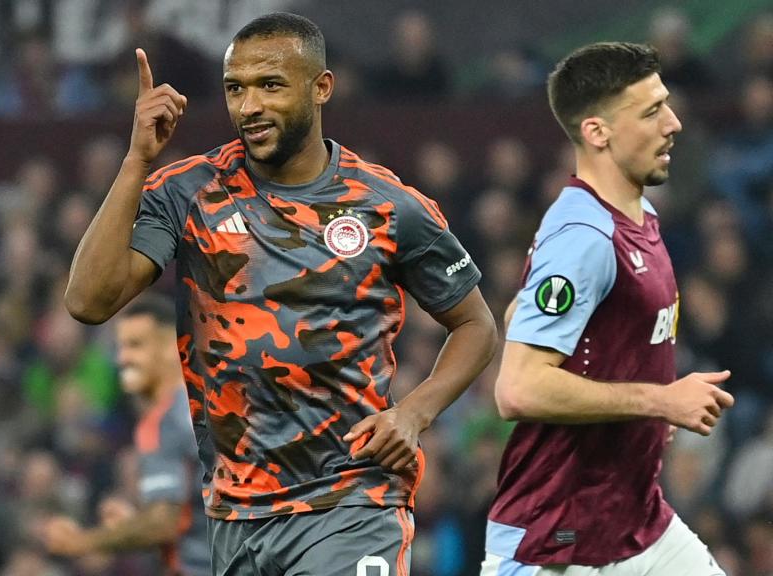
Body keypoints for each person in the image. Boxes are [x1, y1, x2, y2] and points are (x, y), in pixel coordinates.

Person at [64, 11, 497, 576]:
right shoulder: (188, 192)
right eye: (235, 89)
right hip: (235, 513)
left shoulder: (387, 204)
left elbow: (477, 325)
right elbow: (88, 302)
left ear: (321, 88)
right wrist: (135, 162)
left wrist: (414, 413)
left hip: (350, 502)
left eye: (270, 85)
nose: (249, 106)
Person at [482, 42, 735, 575]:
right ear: (597, 132)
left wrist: (641, 404)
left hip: (637, 525)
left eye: (666, 103)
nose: (674, 123)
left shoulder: (634, 211)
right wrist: (659, 401)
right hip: (557, 539)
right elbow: (518, 388)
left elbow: (520, 317)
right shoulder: (585, 235)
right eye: (651, 112)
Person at [45, 294, 209, 576]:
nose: (123, 358)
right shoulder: (217, 399)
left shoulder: (164, 423)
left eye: (136, 346)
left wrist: (84, 542)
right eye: (120, 346)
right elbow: (190, 515)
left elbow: (163, 524)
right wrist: (136, 524)